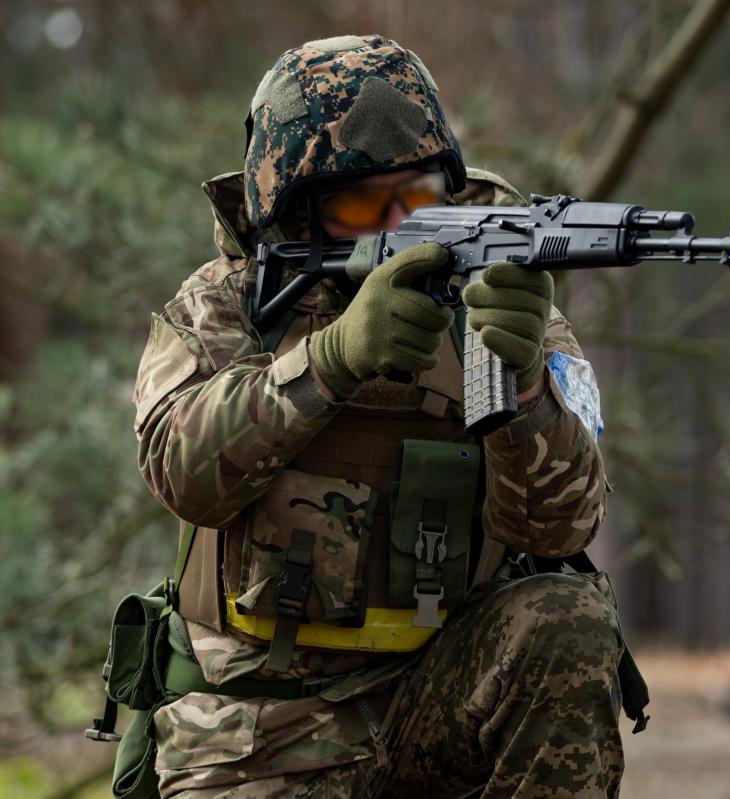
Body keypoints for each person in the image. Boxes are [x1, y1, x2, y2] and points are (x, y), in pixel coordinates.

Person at [132, 34, 626, 798]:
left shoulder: (493, 290)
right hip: (254, 737)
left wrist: (524, 384)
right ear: (297, 213)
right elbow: (182, 472)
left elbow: (560, 528)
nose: (400, 224)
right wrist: (331, 360)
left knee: (567, 619)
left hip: (436, 704)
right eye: (365, 205)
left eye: (419, 197)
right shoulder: (224, 305)